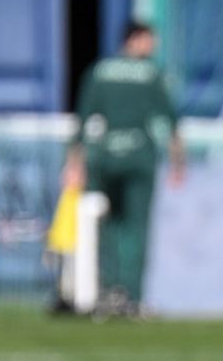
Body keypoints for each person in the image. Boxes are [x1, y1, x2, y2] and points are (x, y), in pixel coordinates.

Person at [64, 20, 186, 318]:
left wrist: (74, 164)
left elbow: (82, 120)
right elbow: (170, 122)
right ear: (137, 39)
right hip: (138, 156)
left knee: (107, 227)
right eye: (150, 39)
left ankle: (108, 290)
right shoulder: (151, 74)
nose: (153, 46)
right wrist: (178, 162)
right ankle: (133, 296)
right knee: (137, 228)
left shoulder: (100, 71)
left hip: (105, 156)